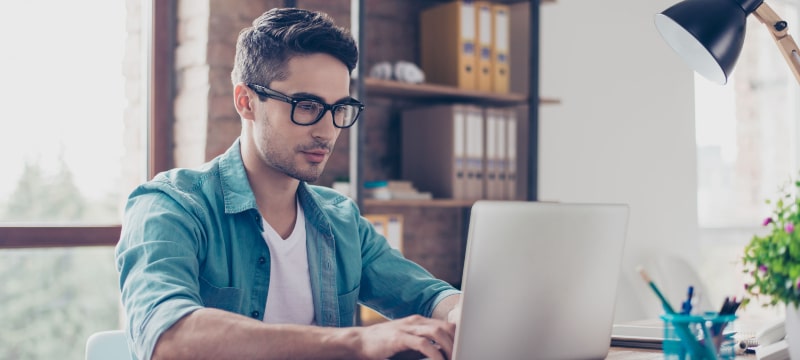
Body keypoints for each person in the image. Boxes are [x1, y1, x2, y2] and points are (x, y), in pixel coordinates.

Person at [115, 7, 462, 360]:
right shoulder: (170, 205)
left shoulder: (341, 219)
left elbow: (429, 296)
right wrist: (356, 343)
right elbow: (166, 338)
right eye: (307, 105)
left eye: (339, 109)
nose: (327, 132)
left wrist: (459, 311)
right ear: (246, 102)